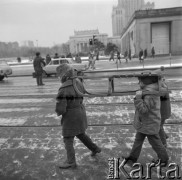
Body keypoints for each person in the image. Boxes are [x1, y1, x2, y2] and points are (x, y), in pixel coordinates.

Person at [55, 64, 101, 169]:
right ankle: (95, 148)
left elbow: (61, 107)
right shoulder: (78, 82)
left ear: (63, 75)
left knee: (68, 139)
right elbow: (83, 94)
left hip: (71, 116)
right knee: (81, 133)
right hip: (80, 111)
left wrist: (59, 112)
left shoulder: (63, 89)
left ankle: (71, 162)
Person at [123, 73, 169, 167]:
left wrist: (138, 98)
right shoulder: (149, 91)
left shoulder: (150, 94)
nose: (138, 83)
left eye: (140, 81)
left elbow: (144, 110)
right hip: (144, 123)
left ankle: (164, 160)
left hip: (149, 124)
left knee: (156, 143)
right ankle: (132, 158)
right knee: (138, 141)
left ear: (146, 82)